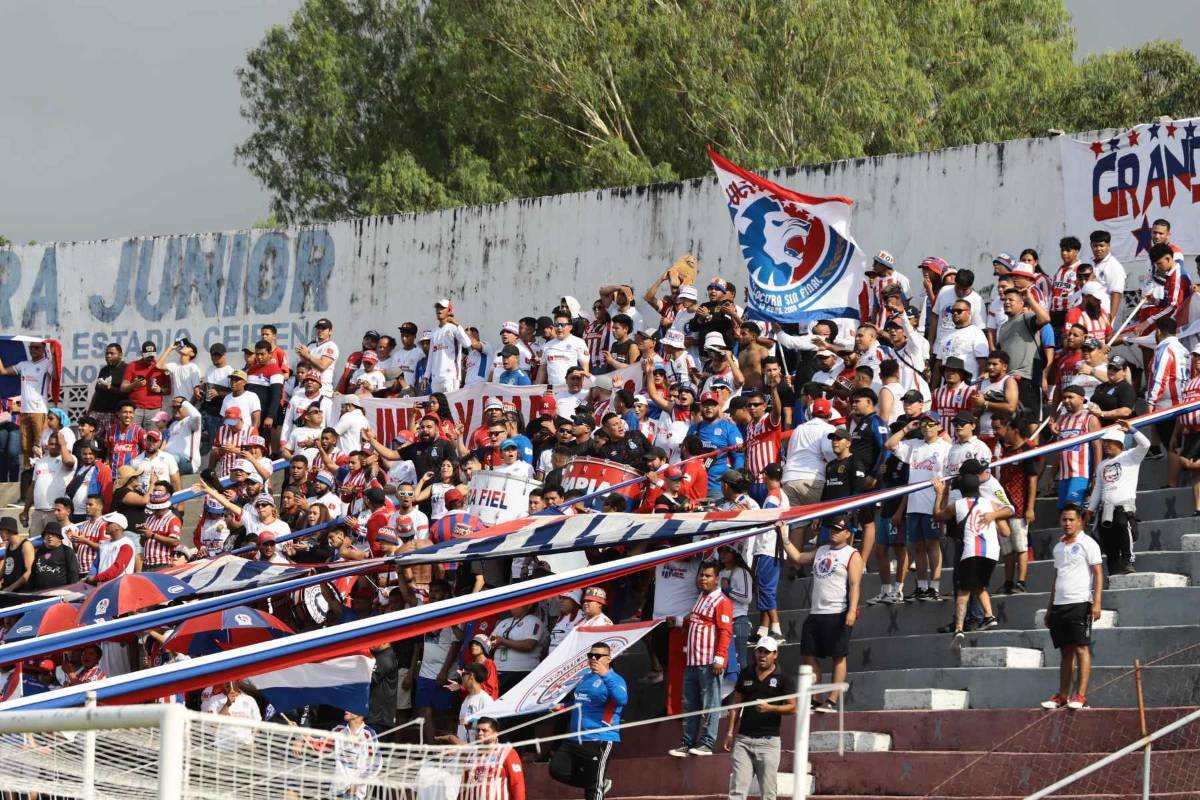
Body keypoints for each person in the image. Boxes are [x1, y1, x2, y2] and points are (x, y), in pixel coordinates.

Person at [777, 516, 861, 711]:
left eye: (838, 529)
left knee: (838, 655)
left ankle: (832, 699)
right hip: (816, 611)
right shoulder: (822, 550)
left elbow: (855, 584)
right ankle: (816, 697)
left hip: (837, 610)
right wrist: (785, 538)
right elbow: (798, 558)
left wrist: (851, 610)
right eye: (832, 529)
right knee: (808, 654)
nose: (833, 532)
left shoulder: (852, 554)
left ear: (848, 533)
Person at [933, 473, 1012, 650]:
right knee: (979, 585)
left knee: (963, 590)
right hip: (992, 552)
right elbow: (1006, 531)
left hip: (971, 551)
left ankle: (959, 628)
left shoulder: (958, 505)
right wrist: (994, 518)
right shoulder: (990, 504)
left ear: (961, 490)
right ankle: (989, 616)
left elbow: (938, 516)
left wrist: (939, 494)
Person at [1041, 505, 1104, 711]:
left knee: (1081, 648)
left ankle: (1081, 695)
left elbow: (1098, 573)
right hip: (1060, 605)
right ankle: (1063, 696)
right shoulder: (1058, 547)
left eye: (1071, 520)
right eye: (1064, 520)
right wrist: (1050, 609)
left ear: (1080, 521)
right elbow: (1056, 578)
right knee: (1065, 652)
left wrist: (1097, 602)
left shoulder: (1089, 543)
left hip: (1080, 603)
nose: (1067, 524)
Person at [669, 561, 732, 757]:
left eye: (707, 575)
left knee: (711, 703)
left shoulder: (722, 601)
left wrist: (720, 658)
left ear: (717, 579)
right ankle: (688, 742)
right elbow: (693, 620)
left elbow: (725, 631)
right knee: (690, 703)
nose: (703, 578)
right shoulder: (701, 597)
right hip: (693, 661)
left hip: (708, 662)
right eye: (701, 575)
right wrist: (679, 621)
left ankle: (707, 742)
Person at [549, 641, 627, 800]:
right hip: (575, 737)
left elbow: (621, 699)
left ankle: (597, 784)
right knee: (556, 769)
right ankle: (599, 783)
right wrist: (563, 706)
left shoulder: (616, 678)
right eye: (590, 655)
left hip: (599, 738)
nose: (593, 658)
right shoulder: (585, 678)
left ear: (608, 659)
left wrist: (605, 675)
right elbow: (580, 703)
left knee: (592, 791)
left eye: (598, 656)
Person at [723, 636, 796, 800]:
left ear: (775, 654)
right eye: (759, 651)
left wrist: (772, 708)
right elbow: (736, 704)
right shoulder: (746, 673)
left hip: (768, 743)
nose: (762, 655)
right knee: (737, 792)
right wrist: (729, 732)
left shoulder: (784, 678)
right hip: (743, 740)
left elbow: (793, 707)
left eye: (767, 652)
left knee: (768, 794)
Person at [885, 414, 949, 601]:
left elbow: (948, 481)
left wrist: (942, 505)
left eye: (930, 424)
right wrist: (906, 429)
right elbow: (889, 445)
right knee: (918, 547)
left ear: (938, 426)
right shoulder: (914, 444)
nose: (926, 428)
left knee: (933, 545)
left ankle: (934, 587)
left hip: (933, 504)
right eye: (923, 424)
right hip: (914, 504)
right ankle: (921, 586)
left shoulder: (946, 448)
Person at [1086, 420, 1149, 576]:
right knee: (1108, 540)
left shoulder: (1131, 456)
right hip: (1105, 508)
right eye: (1104, 442)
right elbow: (1098, 489)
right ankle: (1113, 569)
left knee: (1122, 524)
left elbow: (1146, 444)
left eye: (1109, 442)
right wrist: (1090, 510)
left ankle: (1128, 561)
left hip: (1123, 507)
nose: (1106, 445)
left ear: (1119, 442)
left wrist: (1132, 430)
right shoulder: (1102, 465)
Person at [0, 338, 56, 469]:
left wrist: (54, 355)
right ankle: (27, 476)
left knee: (39, 446)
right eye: (31, 347)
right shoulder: (24, 364)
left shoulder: (47, 363)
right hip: (24, 412)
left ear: (43, 349)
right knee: (26, 448)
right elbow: (3, 371)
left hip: (39, 411)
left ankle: (41, 475)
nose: (34, 350)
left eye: (37, 348)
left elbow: (56, 377)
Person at [22, 427, 76, 536]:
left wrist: (63, 446)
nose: (53, 446)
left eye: (57, 444)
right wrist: (25, 510)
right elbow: (33, 486)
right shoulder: (40, 462)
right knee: (34, 543)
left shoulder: (68, 458)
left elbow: (69, 462)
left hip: (55, 512)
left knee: (55, 543)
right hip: (38, 511)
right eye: (51, 444)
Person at [469, 717, 527, 800]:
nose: (480, 733)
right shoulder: (472, 754)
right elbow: (465, 783)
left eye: (484, 730)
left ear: (495, 734)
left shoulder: (507, 752)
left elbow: (517, 783)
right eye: (478, 730)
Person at [30, 521, 80, 590]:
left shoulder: (67, 551)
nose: (50, 536)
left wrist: (72, 592)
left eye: (53, 534)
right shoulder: (40, 551)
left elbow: (73, 574)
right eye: (47, 534)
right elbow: (33, 573)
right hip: (39, 593)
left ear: (59, 538)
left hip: (59, 595)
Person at [0, 516, 36, 593]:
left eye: (1, 531)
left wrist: (10, 588)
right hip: (6, 588)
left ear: (8, 531)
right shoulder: (8, 544)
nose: (0, 534)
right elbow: (4, 568)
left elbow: (29, 572)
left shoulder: (26, 545)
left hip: (20, 591)